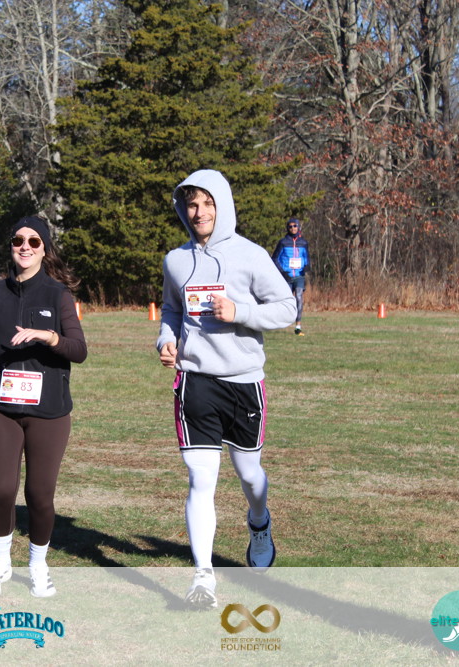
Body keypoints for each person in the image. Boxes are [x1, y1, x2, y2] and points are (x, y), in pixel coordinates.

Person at [156, 170, 296, 610]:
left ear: (223, 205)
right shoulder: (175, 260)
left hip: (243, 382)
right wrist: (166, 340)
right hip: (195, 380)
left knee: (250, 475)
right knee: (201, 478)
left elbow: (287, 308)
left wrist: (240, 312)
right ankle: (203, 577)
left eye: (207, 203)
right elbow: (171, 310)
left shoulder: (251, 256)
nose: (199, 213)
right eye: (192, 204)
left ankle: (259, 521)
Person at [0, 215, 87, 599]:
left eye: (34, 241)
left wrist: (48, 337)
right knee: (1, 491)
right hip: (0, 406)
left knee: (39, 495)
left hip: (49, 411)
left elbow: (79, 350)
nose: (25, 247)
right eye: (18, 240)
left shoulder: (57, 295)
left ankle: (38, 565)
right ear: (11, 246)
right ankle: (0, 563)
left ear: (44, 249)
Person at [271, 218, 310, 335]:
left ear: (298, 227)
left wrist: (307, 267)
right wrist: (283, 272)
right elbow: (275, 259)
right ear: (287, 228)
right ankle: (283, 322)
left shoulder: (303, 243)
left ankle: (298, 326)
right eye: (290, 226)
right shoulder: (283, 242)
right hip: (286, 276)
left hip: (299, 275)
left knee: (299, 297)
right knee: (286, 300)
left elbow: (307, 257)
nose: (293, 228)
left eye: (295, 226)